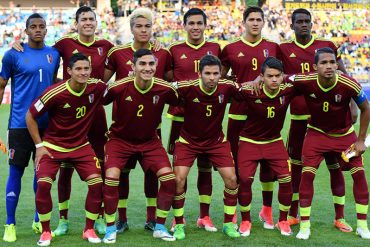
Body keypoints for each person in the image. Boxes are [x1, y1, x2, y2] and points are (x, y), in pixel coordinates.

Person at [286, 47, 370, 240]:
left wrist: (359, 140)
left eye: (332, 62)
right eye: (323, 63)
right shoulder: (305, 80)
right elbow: (283, 78)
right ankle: (305, 226)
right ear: (315, 66)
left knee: (359, 175)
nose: (329, 66)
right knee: (307, 176)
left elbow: (366, 108)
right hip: (316, 135)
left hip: (345, 136)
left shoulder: (349, 83)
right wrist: (258, 79)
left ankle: (362, 226)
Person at [280, 8, 352, 229]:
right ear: (291, 25)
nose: (304, 24)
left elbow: (344, 76)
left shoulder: (327, 46)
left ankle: (339, 217)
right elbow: (276, 76)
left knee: (335, 166)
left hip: (327, 121)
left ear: (312, 24)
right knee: (297, 166)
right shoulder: (283, 49)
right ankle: (293, 214)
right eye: (299, 21)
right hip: (299, 119)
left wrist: (351, 105)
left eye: (307, 21)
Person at [26, 53, 106, 246]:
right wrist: (39, 146)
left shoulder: (97, 87)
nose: (83, 72)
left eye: (86, 68)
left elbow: (117, 92)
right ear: (69, 71)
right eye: (78, 69)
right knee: (44, 185)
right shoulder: (55, 92)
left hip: (81, 146)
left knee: (96, 184)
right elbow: (30, 116)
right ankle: (45, 232)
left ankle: (89, 229)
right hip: (53, 147)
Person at [103, 7, 172, 232]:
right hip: (122, 129)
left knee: (152, 173)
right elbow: (101, 84)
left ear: (153, 28)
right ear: (131, 29)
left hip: (152, 127)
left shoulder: (163, 53)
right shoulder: (117, 53)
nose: (144, 30)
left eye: (148, 26)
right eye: (139, 26)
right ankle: (121, 219)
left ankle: (152, 218)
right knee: (120, 173)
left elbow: (173, 84)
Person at [0, 13, 60, 242]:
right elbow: (1, 84)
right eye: (33, 26)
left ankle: (38, 220)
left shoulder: (54, 55)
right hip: (19, 125)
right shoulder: (13, 54)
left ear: (46, 30)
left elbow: (54, 84)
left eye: (41, 26)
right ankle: (10, 224)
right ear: (25, 31)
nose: (37, 29)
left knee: (42, 174)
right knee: (16, 171)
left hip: (47, 125)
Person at [220, 6, 281, 230]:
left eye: (259, 19)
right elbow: (220, 77)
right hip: (239, 113)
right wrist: (240, 86)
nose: (255, 23)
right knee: (237, 166)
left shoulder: (273, 47)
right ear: (243, 22)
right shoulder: (230, 48)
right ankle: (236, 211)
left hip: (267, 115)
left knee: (268, 165)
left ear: (264, 22)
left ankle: (266, 210)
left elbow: (282, 75)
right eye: (251, 19)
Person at [171, 55, 240, 239]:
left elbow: (247, 92)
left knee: (232, 180)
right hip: (188, 142)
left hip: (216, 141)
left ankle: (228, 224)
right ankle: (178, 224)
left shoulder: (228, 88)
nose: (212, 77)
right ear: (199, 74)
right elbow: (164, 89)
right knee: (178, 181)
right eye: (207, 73)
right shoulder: (187, 87)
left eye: (215, 73)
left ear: (221, 74)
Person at [167, 7, 222, 231]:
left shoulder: (216, 48)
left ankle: (204, 216)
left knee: (205, 166)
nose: (196, 27)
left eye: (200, 23)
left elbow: (223, 75)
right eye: (192, 23)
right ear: (185, 25)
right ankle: (176, 217)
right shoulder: (174, 50)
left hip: (207, 118)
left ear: (205, 25)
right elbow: (168, 77)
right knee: (180, 169)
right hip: (181, 117)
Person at [237, 57, 294, 237]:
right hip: (249, 141)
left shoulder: (288, 89)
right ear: (261, 76)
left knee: (286, 178)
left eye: (278, 76)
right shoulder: (249, 90)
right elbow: (228, 88)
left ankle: (283, 220)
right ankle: (246, 220)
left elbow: (307, 78)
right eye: (270, 76)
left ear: (282, 75)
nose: (274, 80)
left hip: (274, 142)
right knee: (245, 180)